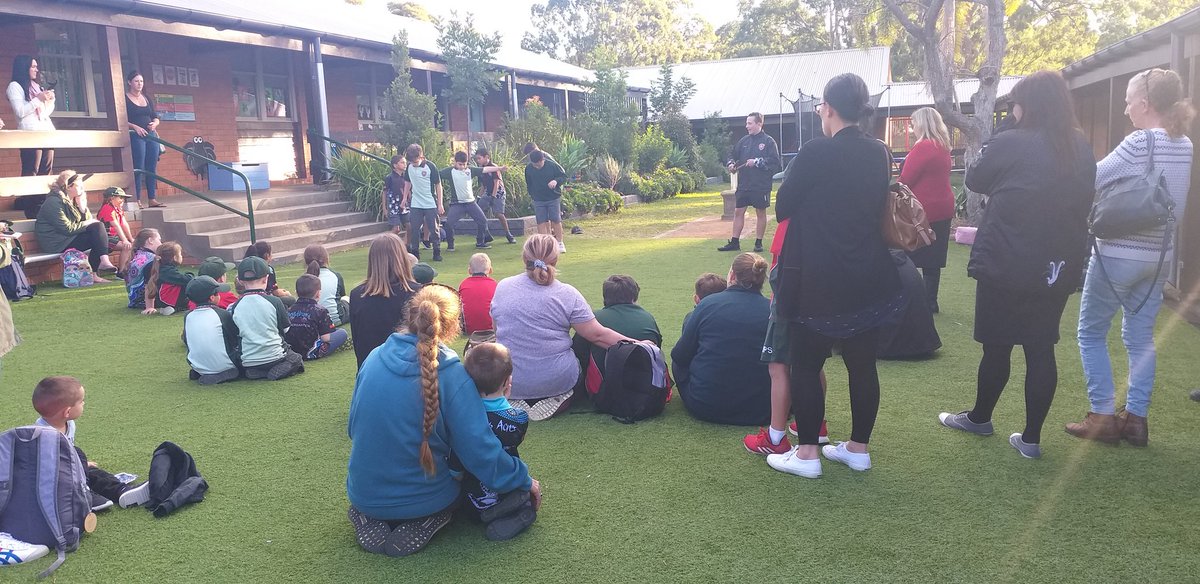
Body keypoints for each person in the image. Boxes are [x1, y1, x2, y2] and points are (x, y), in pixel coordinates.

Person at [937, 71, 1096, 459]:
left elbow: (975, 178)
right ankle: (1031, 439)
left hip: (1006, 259)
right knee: (1041, 348)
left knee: (997, 345)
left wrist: (1006, 127)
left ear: (1028, 105)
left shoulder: (1011, 141)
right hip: (1056, 263)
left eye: (1014, 104)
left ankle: (980, 418)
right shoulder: (1078, 145)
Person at [769, 73, 903, 478]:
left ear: (827, 107)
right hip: (869, 275)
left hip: (818, 277)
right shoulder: (879, 152)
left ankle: (807, 453)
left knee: (806, 365)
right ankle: (858, 449)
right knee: (863, 366)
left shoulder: (815, 152)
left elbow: (783, 206)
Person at [346, 285, 540, 556]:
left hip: (362, 493)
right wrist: (523, 479)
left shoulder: (373, 358)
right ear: (451, 325)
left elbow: (352, 428)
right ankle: (426, 514)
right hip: (426, 498)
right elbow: (479, 452)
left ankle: (373, 512)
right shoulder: (454, 376)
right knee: (479, 484)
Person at [1068, 68, 1194, 447]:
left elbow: (1090, 178)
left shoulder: (1139, 142)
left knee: (1091, 332)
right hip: (1158, 258)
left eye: (1127, 101)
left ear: (1144, 103)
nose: (1125, 110)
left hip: (1118, 252)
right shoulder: (1184, 144)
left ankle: (1102, 415)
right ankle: (1136, 419)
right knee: (1140, 339)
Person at [491, 234, 628, 420]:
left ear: (525, 259)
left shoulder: (503, 287)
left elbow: (496, 331)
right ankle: (561, 397)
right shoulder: (567, 294)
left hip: (511, 379)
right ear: (556, 260)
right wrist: (639, 343)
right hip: (557, 379)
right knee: (583, 347)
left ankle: (518, 398)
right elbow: (598, 335)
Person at [742, 218, 831, 455]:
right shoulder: (827, 215)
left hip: (790, 301)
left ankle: (775, 437)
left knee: (778, 367)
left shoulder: (795, 218)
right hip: (820, 298)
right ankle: (817, 425)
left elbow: (780, 268)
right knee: (811, 364)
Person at [672, 253, 772, 426]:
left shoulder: (707, 304)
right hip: (763, 409)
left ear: (732, 275)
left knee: (678, 362)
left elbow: (680, 356)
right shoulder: (772, 310)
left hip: (706, 405)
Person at [450, 342, 538, 540]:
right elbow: (514, 441)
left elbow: (455, 471)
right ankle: (520, 515)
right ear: (507, 382)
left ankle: (485, 514)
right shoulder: (518, 418)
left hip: (472, 502)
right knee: (525, 496)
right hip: (507, 486)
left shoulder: (462, 418)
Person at [32, 376, 151, 511]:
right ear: (67, 412)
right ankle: (83, 497)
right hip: (53, 481)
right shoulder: (43, 434)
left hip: (70, 471)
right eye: (81, 401)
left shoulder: (68, 423)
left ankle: (122, 491)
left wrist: (80, 464)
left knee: (93, 473)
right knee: (78, 456)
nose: (84, 404)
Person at [899, 107, 955, 313]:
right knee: (934, 258)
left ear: (922, 123)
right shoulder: (943, 147)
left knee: (910, 254)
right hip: (944, 206)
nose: (912, 128)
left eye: (913, 124)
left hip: (922, 210)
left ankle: (912, 297)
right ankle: (931, 300)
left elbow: (906, 179)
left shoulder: (923, 148)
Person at [573, 274, 663, 388]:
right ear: (634, 297)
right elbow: (657, 350)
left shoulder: (594, 319)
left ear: (605, 297)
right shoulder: (647, 317)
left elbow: (577, 353)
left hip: (605, 393)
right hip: (648, 390)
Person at [349, 233, 421, 369]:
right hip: (406, 373)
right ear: (402, 257)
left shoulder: (357, 295)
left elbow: (358, 343)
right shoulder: (417, 293)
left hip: (369, 372)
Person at [229, 256, 304, 380]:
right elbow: (286, 330)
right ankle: (274, 371)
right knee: (296, 358)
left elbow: (236, 333)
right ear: (266, 279)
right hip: (276, 357)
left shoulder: (235, 306)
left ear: (241, 281)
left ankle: (257, 371)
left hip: (248, 361)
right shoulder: (275, 301)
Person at [34, 171, 119, 280]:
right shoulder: (53, 202)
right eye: (79, 186)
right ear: (69, 187)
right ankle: (101, 265)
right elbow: (67, 229)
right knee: (97, 231)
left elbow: (89, 223)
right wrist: (88, 222)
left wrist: (82, 208)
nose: (83, 188)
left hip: (68, 238)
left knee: (98, 231)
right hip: (56, 243)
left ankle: (99, 268)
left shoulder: (74, 200)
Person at [718, 112, 781, 253]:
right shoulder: (744, 141)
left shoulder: (769, 141)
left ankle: (758, 243)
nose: (747, 126)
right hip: (744, 184)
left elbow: (775, 162)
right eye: (746, 123)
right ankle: (735, 242)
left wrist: (757, 162)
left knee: (760, 212)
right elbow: (732, 155)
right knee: (738, 211)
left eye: (750, 123)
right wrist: (731, 163)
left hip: (760, 185)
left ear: (759, 124)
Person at [440, 151, 505, 251]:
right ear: (455, 162)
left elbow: (485, 169)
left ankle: (480, 242)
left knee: (482, 221)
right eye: (460, 164)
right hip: (457, 204)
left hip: (471, 203)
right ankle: (450, 245)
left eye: (464, 164)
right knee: (449, 223)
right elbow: (436, 174)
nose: (462, 167)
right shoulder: (449, 171)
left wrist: (499, 168)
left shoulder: (470, 170)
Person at [182, 276, 241, 384]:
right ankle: (225, 372)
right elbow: (234, 338)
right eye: (217, 293)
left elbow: (186, 341)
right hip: (226, 364)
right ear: (212, 298)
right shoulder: (222, 314)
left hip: (196, 365)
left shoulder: (188, 316)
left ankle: (202, 371)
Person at [7, 55, 56, 176]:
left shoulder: (36, 86)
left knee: (46, 171)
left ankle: (44, 196)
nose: (36, 70)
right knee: (32, 171)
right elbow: (20, 112)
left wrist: (50, 100)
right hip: (30, 134)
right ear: (25, 68)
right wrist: (38, 99)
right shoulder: (14, 86)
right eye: (33, 66)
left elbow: (44, 113)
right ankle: (30, 196)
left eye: (36, 67)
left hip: (45, 132)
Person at [286, 274, 350, 360]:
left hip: (293, 351)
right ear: (318, 293)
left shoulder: (289, 309)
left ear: (296, 292)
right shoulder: (320, 310)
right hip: (312, 351)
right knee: (342, 333)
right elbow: (326, 338)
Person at [125, 70, 164, 208]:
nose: (139, 84)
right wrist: (134, 127)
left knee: (151, 167)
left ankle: (152, 198)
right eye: (136, 81)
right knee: (138, 166)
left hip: (150, 135)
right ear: (130, 82)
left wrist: (155, 123)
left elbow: (155, 115)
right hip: (136, 136)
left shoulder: (146, 98)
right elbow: (121, 119)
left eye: (141, 81)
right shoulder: (125, 98)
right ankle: (137, 199)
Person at [402, 144, 444, 261]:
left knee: (434, 229)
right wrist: (404, 198)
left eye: (415, 162)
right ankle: (415, 253)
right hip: (416, 203)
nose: (413, 164)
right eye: (411, 162)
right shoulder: (409, 167)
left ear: (421, 156)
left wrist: (440, 204)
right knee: (414, 229)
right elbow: (407, 183)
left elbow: (438, 185)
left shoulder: (430, 167)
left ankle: (437, 251)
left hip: (430, 203)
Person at [524, 150, 569, 253]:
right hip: (538, 199)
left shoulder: (552, 166)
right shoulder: (529, 169)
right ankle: (544, 245)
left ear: (542, 159)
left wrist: (556, 181)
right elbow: (529, 183)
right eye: (534, 164)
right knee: (541, 221)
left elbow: (563, 177)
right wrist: (532, 194)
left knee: (556, 219)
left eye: (538, 164)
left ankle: (560, 243)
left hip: (553, 197)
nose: (536, 166)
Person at [475, 147, 516, 244]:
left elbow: (497, 183)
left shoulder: (493, 167)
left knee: (499, 214)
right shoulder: (481, 170)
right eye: (477, 159)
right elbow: (483, 186)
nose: (478, 160)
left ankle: (508, 234)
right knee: (478, 212)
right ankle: (486, 234)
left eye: (479, 158)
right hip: (488, 192)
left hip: (498, 193)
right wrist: (479, 197)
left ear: (486, 157)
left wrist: (493, 197)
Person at [142, 241, 193, 316]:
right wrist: (189, 274)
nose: (181, 256)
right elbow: (186, 280)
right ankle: (176, 308)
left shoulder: (157, 268)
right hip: (168, 300)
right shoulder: (167, 271)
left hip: (161, 300)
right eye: (180, 254)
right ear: (175, 258)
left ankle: (170, 308)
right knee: (188, 286)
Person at [303, 244, 348, 326]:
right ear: (326, 259)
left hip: (310, 320)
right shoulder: (335, 275)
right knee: (346, 299)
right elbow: (342, 295)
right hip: (335, 319)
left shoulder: (302, 279)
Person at [96, 187, 135, 276]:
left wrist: (131, 238)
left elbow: (124, 224)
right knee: (126, 246)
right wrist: (125, 240)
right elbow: (116, 226)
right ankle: (121, 272)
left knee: (132, 245)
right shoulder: (107, 208)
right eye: (120, 198)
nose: (123, 200)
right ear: (112, 198)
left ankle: (125, 268)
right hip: (105, 238)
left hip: (113, 237)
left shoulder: (118, 209)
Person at [242, 241, 294, 306]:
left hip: (245, 298)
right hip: (265, 299)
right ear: (267, 255)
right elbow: (275, 292)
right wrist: (286, 293)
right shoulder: (269, 270)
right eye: (271, 253)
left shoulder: (244, 268)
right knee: (291, 300)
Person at [458, 253, 497, 334]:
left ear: (469, 271)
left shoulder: (464, 284)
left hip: (468, 329)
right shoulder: (494, 284)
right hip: (491, 329)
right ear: (490, 270)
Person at [125, 228, 161, 309]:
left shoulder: (135, 256)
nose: (161, 243)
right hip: (146, 300)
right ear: (150, 240)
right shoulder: (152, 259)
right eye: (159, 240)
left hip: (134, 300)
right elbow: (150, 283)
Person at [381, 155, 410, 240]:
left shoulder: (406, 176)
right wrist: (384, 208)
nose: (405, 164)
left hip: (404, 205)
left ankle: (406, 245)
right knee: (396, 229)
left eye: (405, 162)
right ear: (395, 165)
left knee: (409, 226)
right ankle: (384, 242)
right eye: (402, 162)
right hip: (393, 206)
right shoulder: (389, 178)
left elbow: (409, 190)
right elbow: (384, 192)